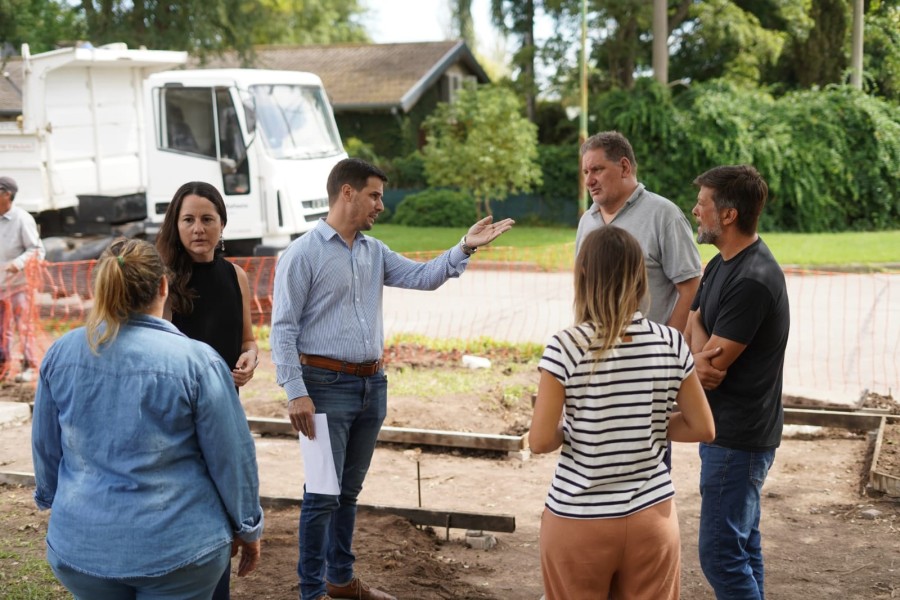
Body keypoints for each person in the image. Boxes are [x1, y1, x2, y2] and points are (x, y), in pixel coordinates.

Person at [269, 157, 514, 600]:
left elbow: (423, 277)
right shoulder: (302, 254)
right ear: (347, 192)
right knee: (322, 494)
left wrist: (465, 246)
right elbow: (282, 328)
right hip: (321, 389)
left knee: (347, 492)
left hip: (370, 387)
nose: (381, 204)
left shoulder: (373, 251)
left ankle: (340, 581)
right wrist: (295, 392)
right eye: (374, 195)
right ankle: (311, 592)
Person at [31, 237, 264, 599]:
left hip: (81, 547)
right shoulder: (197, 362)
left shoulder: (61, 352)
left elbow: (46, 447)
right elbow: (232, 458)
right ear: (163, 286)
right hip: (179, 550)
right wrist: (248, 527)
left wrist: (52, 500)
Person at [530, 226, 716, 600]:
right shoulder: (670, 341)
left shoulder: (565, 347)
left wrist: (579, 428)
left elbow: (539, 440)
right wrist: (645, 424)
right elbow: (703, 427)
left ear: (583, 276)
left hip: (578, 519)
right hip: (653, 516)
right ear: (639, 277)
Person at [686, 165, 790, 599]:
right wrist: (697, 353)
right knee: (743, 546)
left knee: (721, 553)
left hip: (738, 437)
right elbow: (694, 321)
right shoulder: (719, 264)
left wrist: (695, 354)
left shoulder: (752, 279)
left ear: (728, 215)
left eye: (703, 204)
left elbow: (710, 372)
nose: (695, 211)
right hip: (728, 433)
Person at [156, 181, 259, 599]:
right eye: (188, 220)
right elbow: (155, 351)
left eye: (207, 219)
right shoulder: (162, 280)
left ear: (222, 224)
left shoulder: (236, 275)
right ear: (175, 226)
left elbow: (248, 338)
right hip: (176, 420)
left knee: (221, 509)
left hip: (224, 412)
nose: (198, 228)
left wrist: (251, 358)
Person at [575, 131, 700, 332]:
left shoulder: (664, 215)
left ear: (624, 167)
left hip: (649, 357)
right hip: (596, 354)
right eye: (586, 172)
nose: (589, 181)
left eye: (597, 170)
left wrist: (667, 345)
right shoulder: (587, 221)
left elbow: (691, 289)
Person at [0, 176, 45, 383]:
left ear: (6, 195)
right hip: (0, 286)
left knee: (23, 326)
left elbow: (37, 249)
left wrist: (17, 263)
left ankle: (30, 367)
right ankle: (4, 367)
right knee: (2, 329)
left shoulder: (21, 218)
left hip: (19, 285)